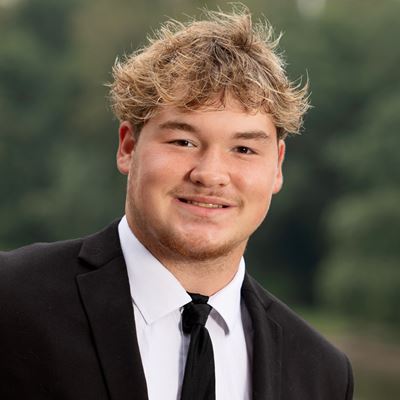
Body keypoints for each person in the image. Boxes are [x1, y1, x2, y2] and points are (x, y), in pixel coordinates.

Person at [0, 7, 353, 400]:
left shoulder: (323, 374)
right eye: (183, 141)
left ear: (277, 167)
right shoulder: (11, 298)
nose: (211, 174)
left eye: (244, 149)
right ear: (128, 147)